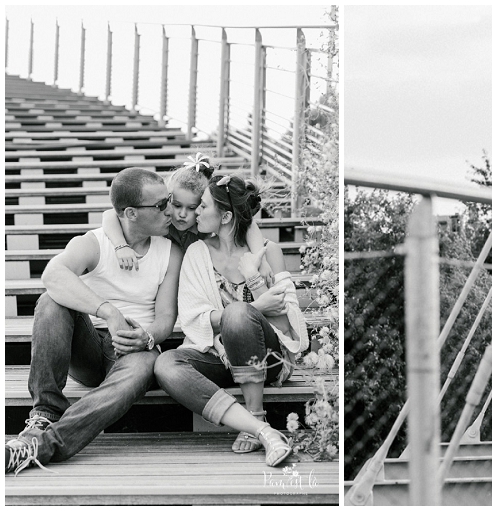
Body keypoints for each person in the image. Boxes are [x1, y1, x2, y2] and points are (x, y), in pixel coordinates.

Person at [6, 168, 183, 475]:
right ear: (130, 213)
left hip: (134, 350)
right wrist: (108, 312)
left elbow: (167, 317)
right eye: (160, 205)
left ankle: (42, 445)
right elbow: (52, 275)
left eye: (168, 200)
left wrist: (148, 337)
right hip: (87, 347)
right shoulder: (94, 243)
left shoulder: (171, 252)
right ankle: (46, 411)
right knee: (51, 301)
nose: (169, 210)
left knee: (146, 364)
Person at [153, 174, 308, 467]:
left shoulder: (268, 251)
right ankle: (258, 429)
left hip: (269, 359)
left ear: (224, 216)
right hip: (219, 356)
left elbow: (288, 327)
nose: (195, 212)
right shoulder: (197, 253)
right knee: (165, 364)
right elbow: (191, 317)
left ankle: (255, 414)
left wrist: (253, 276)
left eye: (203, 207)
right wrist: (258, 305)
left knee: (237, 312)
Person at [101, 153, 265, 267]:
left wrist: (261, 260)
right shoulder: (159, 220)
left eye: (192, 208)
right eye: (177, 205)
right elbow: (111, 215)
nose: (182, 214)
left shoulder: (204, 227)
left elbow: (248, 224)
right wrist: (121, 246)